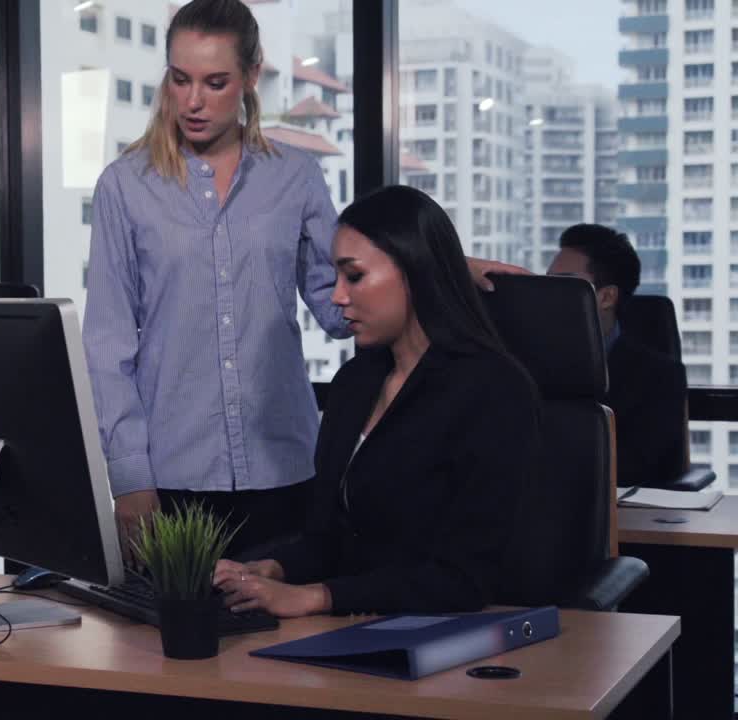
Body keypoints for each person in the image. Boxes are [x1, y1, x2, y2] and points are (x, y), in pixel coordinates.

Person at [83, 0, 524, 561]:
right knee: (173, 646)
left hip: (286, 471)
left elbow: (339, 305)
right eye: (180, 79)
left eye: (215, 83)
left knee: (286, 643)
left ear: (249, 75)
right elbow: (107, 347)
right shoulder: (125, 187)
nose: (193, 101)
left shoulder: (295, 176)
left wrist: (436, 267)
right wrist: (129, 479)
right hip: (171, 479)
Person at [212, 185, 540, 617]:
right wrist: (273, 570)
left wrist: (318, 597)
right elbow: (332, 540)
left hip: (458, 644)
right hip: (360, 624)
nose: (337, 297)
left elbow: (463, 580)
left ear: (414, 272)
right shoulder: (355, 381)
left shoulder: (493, 389)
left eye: (355, 276)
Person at [547, 224, 686, 490]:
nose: (549, 294)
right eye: (547, 281)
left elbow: (636, 467)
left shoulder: (660, 377)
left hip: (619, 517)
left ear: (606, 296)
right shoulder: (524, 363)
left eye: (564, 282)